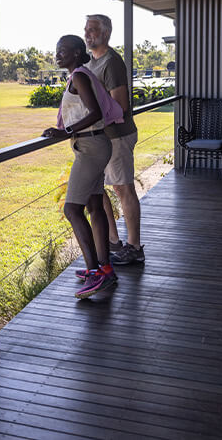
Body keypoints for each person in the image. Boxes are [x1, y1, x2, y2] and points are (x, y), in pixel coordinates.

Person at [42, 35, 125, 298]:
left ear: (77, 53)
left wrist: (66, 131)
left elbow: (95, 113)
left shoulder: (79, 75)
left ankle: (94, 272)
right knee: (94, 206)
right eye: (57, 50)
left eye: (63, 51)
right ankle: (105, 269)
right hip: (95, 145)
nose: (58, 55)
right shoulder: (79, 74)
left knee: (72, 209)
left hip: (90, 148)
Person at [83, 14, 145, 265]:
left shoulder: (112, 63)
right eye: (86, 29)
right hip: (98, 138)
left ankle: (134, 247)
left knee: (122, 188)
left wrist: (91, 118)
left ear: (106, 33)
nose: (88, 33)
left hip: (117, 136)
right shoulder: (90, 63)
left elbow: (120, 106)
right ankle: (112, 241)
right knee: (97, 189)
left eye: (94, 29)